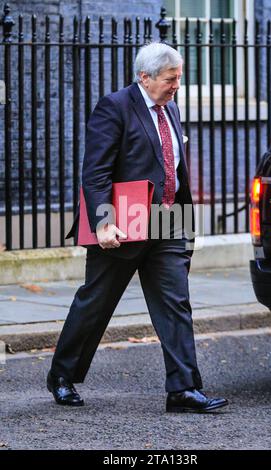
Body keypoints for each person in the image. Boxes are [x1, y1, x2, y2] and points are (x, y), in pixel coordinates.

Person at [47, 42, 228, 413]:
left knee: (175, 304)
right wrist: (102, 222)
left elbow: (173, 166)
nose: (176, 84)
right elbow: (95, 171)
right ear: (144, 78)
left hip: (166, 220)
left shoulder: (170, 108)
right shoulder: (115, 107)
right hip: (123, 224)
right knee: (96, 303)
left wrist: (183, 218)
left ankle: (183, 389)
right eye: (170, 78)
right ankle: (62, 376)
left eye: (178, 78)